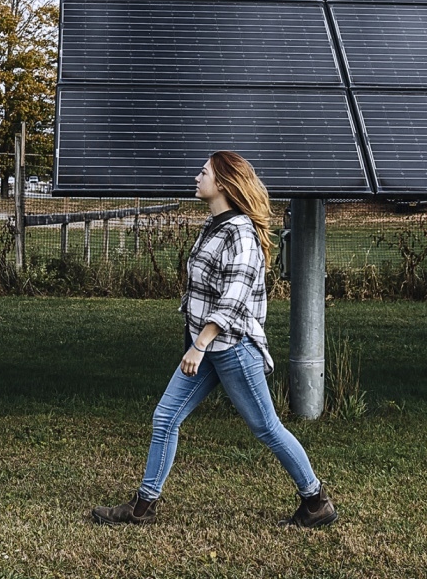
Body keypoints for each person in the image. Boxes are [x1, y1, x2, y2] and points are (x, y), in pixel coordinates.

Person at [92, 151, 336, 528]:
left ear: (222, 183)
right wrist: (198, 340)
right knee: (165, 417)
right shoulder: (214, 224)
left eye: (203, 172)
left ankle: (316, 501)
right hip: (207, 346)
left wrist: (199, 344)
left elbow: (232, 300)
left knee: (267, 427)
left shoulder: (240, 233)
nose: (197, 176)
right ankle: (143, 507)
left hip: (233, 348)